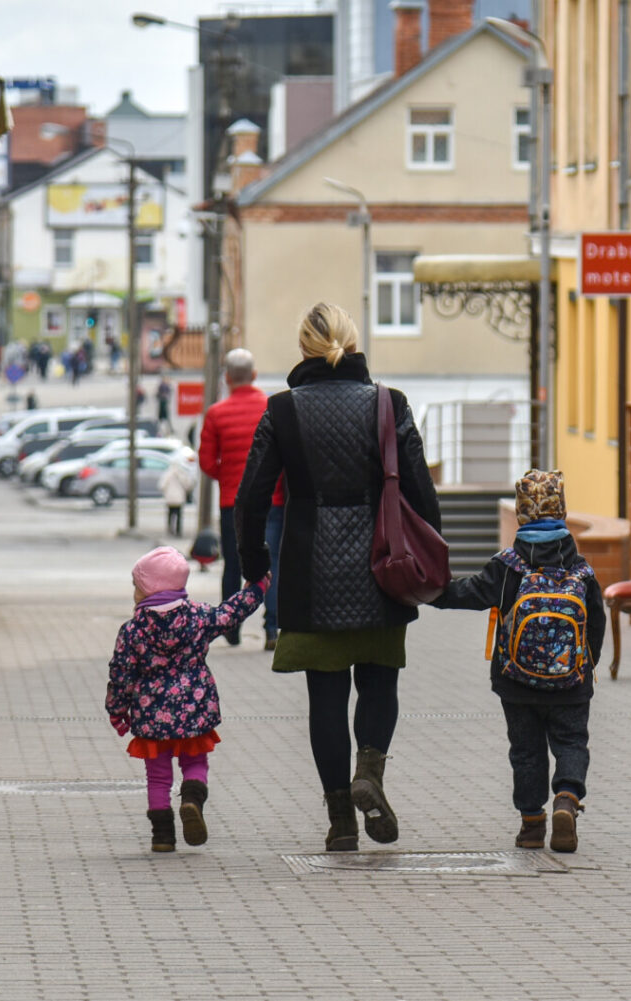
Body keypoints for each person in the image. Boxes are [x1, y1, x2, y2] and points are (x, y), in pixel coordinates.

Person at [234, 303, 440, 852]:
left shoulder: (281, 410)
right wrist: (429, 561)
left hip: (310, 571)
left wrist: (255, 566)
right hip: (381, 568)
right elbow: (420, 490)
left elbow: (251, 498)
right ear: (352, 342)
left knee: (325, 696)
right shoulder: (389, 403)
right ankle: (369, 771)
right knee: (380, 680)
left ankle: (341, 820)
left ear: (303, 348)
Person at [430, 470, 604, 853]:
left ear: (522, 514)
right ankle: (567, 798)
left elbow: (468, 593)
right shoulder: (581, 569)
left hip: (517, 682)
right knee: (571, 741)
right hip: (571, 683)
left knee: (526, 751)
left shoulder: (508, 567)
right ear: (562, 510)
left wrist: (426, 591)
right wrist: (585, 667)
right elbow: (596, 623)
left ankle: (531, 826)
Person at [105, 546, 268, 853]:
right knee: (195, 762)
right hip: (194, 709)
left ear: (150, 588)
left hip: (151, 716)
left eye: (137, 586)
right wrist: (256, 589)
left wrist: (117, 710)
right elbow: (230, 614)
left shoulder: (132, 631)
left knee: (157, 777)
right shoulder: (199, 617)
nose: (134, 592)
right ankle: (192, 800)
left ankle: (162, 837)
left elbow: (121, 673)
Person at [199, 348, 273, 646]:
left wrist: (229, 476)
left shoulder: (216, 413)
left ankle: (231, 627)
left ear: (227, 378)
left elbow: (206, 462)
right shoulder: (271, 407)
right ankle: (272, 628)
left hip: (232, 501)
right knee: (272, 562)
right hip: (273, 499)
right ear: (254, 375)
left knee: (233, 563)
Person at [159, 459, 194, 537]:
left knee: (170, 514)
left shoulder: (167, 474)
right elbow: (188, 485)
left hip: (170, 498)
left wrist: (165, 492)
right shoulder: (182, 474)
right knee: (179, 515)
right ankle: (178, 531)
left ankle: (170, 529)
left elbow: (162, 485)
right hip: (179, 498)